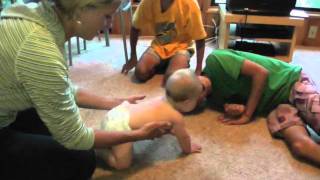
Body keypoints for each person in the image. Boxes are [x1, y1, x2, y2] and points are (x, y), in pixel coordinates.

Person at [0, 1, 172, 180]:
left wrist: (116, 102)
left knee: (54, 122)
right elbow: (75, 137)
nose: (110, 24)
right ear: (82, 9)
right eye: (107, 16)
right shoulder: (40, 50)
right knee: (81, 158)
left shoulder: (39, 16)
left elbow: (60, 88)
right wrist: (138, 135)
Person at [196, 49, 320, 166]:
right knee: (300, 146)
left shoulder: (216, 60)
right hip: (276, 105)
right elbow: (244, 100)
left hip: (290, 82)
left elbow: (261, 73)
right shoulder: (212, 100)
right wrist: (239, 109)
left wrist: (246, 115)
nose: (201, 98)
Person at [98, 69, 202, 169]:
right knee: (122, 164)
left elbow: (161, 122)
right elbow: (184, 138)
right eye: (196, 100)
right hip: (119, 126)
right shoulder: (176, 117)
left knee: (117, 142)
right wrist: (188, 149)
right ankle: (98, 149)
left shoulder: (161, 98)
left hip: (117, 112)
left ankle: (104, 139)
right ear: (187, 102)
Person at [121, 0, 207, 83]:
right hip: (159, 46)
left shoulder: (190, 3)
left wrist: (198, 69)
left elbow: (200, 38)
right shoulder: (148, 2)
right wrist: (133, 56)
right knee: (140, 72)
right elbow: (135, 27)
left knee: (172, 79)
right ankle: (166, 64)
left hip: (182, 47)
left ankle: (174, 64)